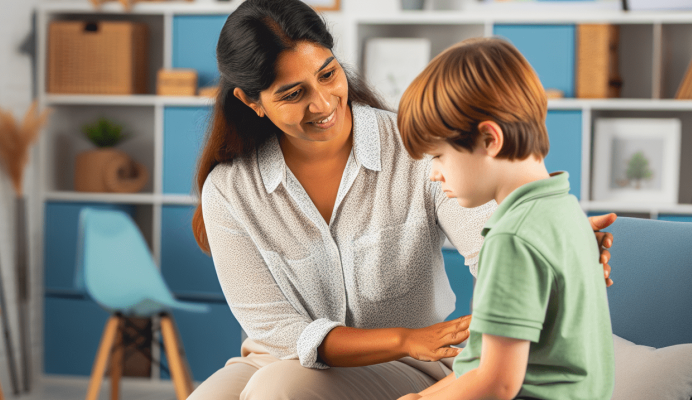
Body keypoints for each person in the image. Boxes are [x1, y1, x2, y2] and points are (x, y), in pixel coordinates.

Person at [188, 1, 615, 398]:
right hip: (283, 355)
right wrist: (404, 335)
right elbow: (276, 328)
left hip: (411, 363)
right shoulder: (229, 189)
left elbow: (491, 243)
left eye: (327, 74)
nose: (323, 103)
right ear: (251, 102)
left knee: (279, 389)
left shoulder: (417, 146)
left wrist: (554, 246)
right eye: (293, 94)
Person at [395, 38, 614, 400]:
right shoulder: (565, 211)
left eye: (438, 156)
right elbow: (481, 365)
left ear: (488, 139)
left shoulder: (512, 237)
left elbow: (497, 382)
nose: (433, 174)